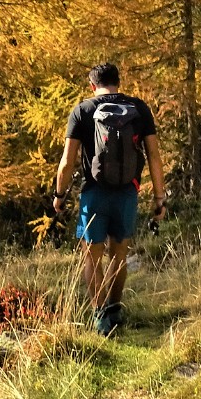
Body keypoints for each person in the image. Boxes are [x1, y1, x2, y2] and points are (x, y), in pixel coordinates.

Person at [52, 62, 167, 336]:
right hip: (127, 193)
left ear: (92, 86)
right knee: (119, 255)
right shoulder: (138, 109)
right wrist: (159, 198)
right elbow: (154, 156)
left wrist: (58, 196)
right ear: (118, 82)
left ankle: (100, 317)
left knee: (92, 258)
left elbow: (67, 161)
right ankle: (115, 310)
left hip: (94, 194)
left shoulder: (83, 110)